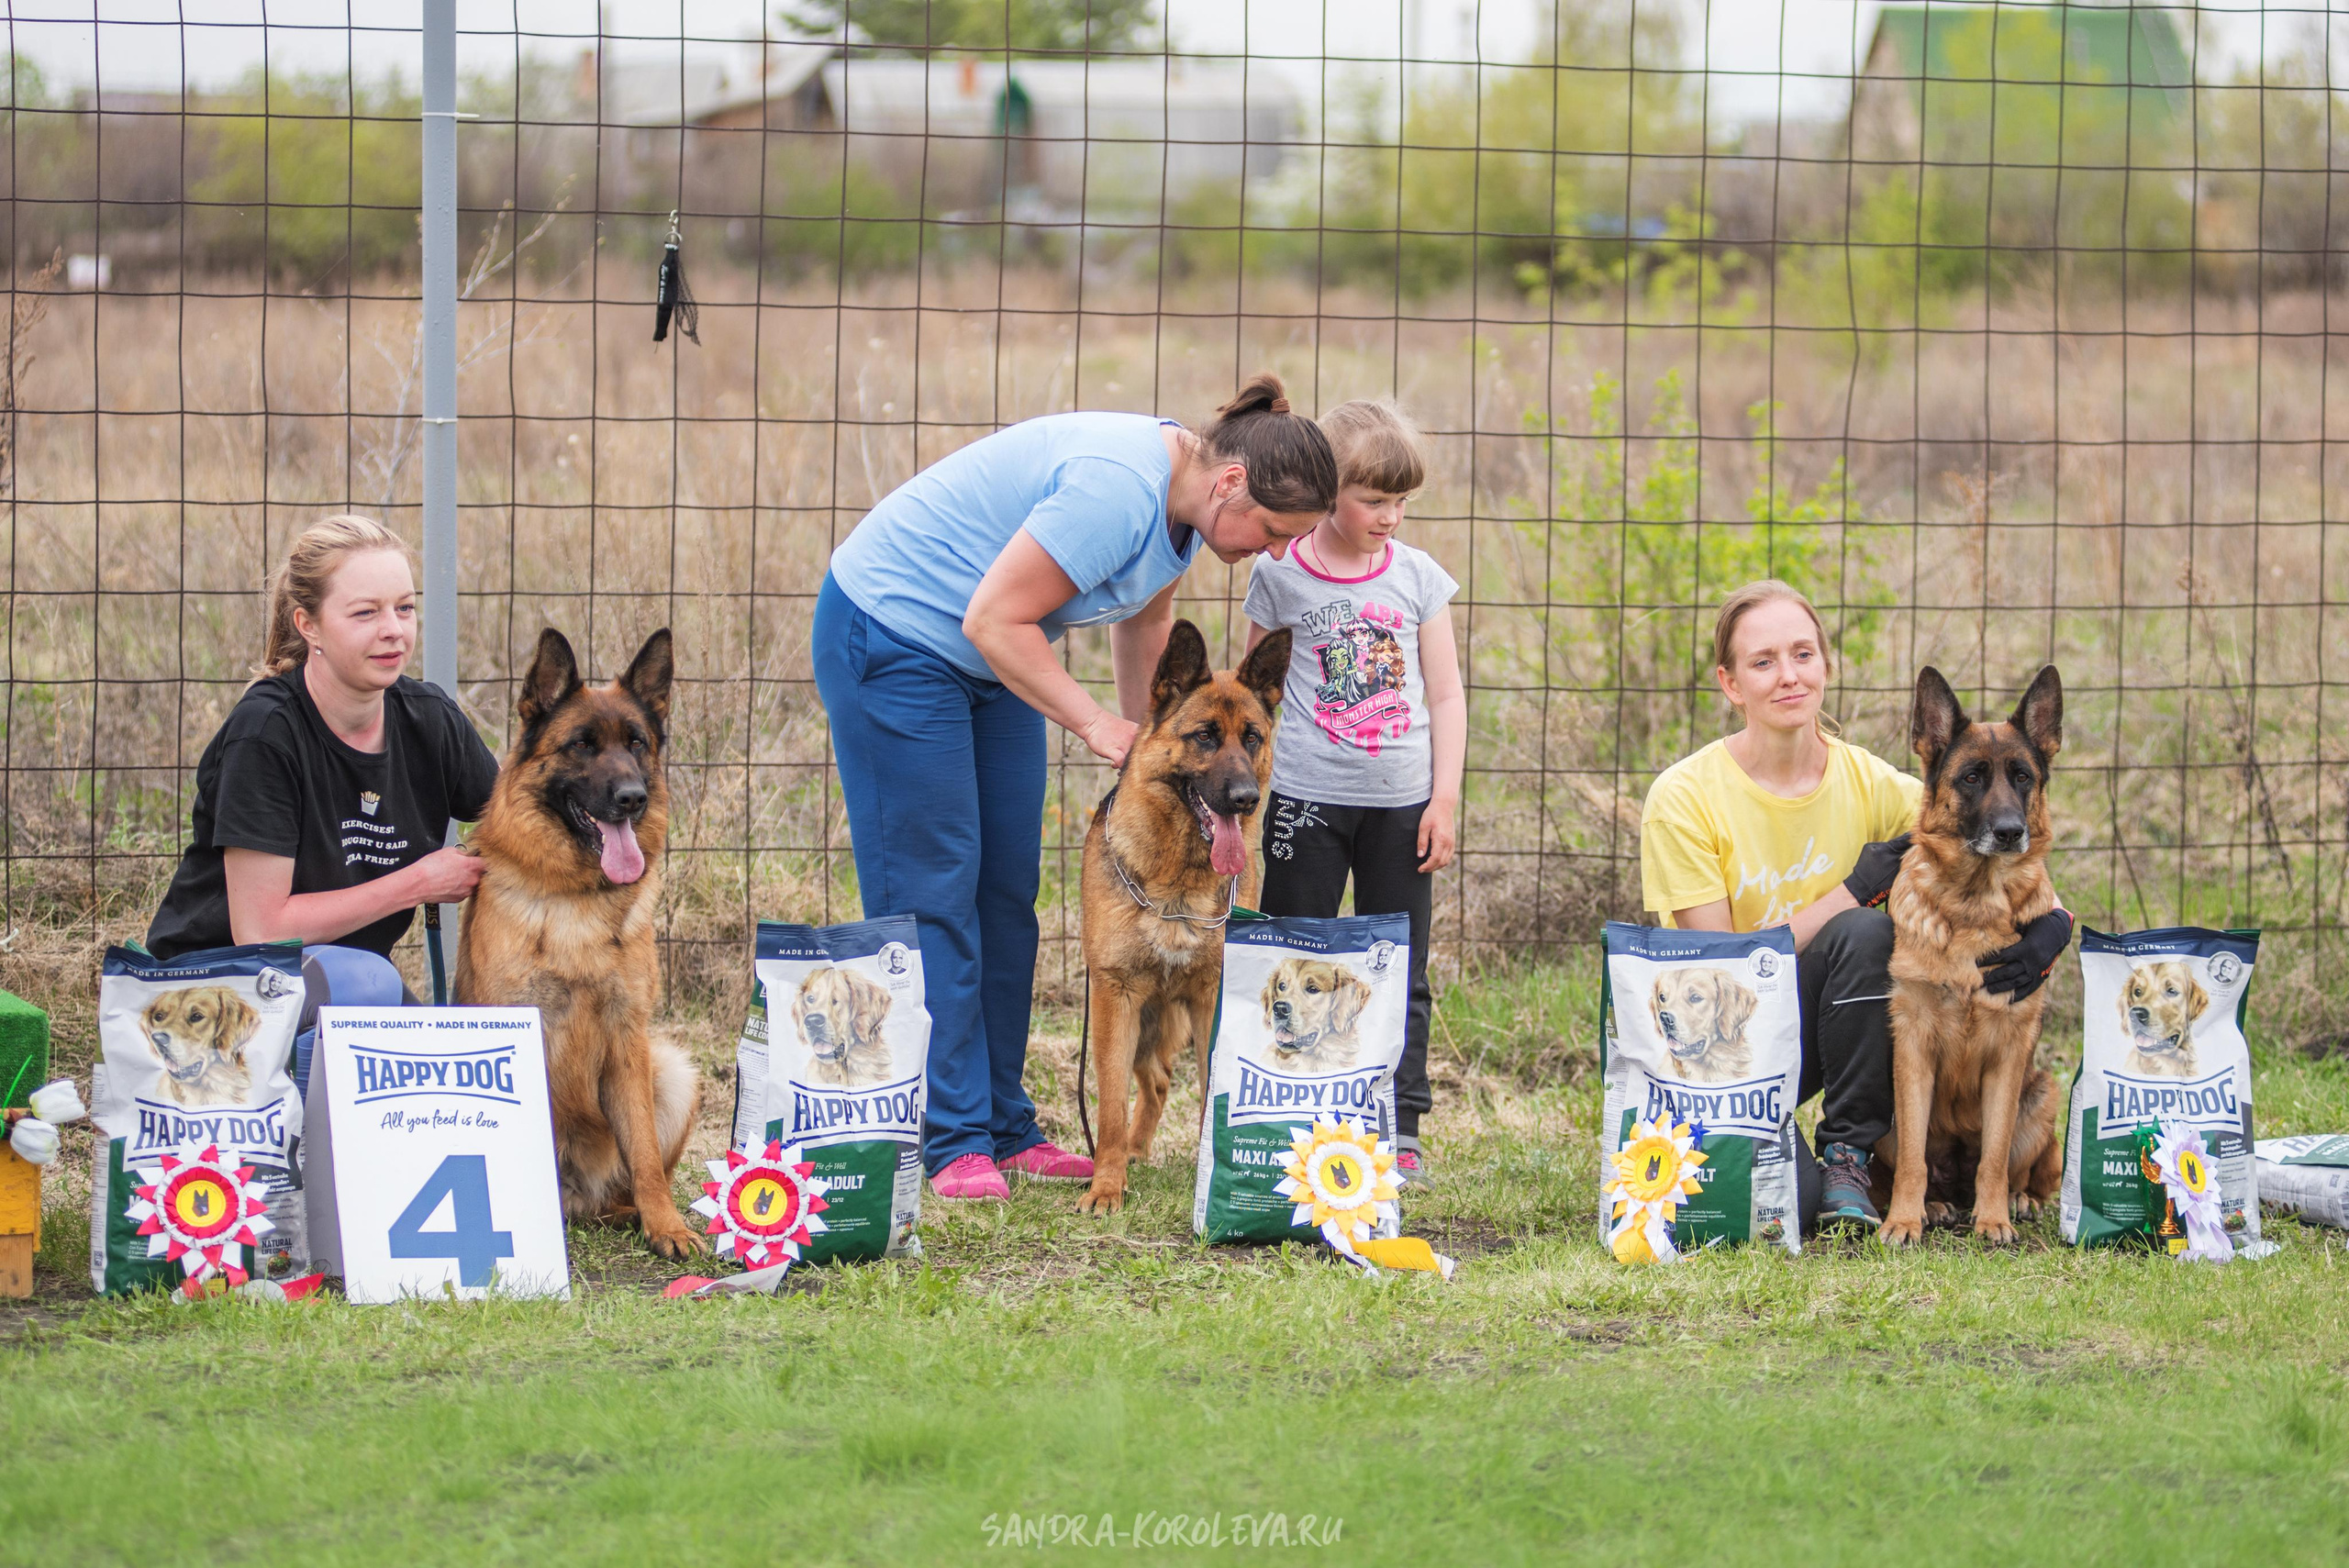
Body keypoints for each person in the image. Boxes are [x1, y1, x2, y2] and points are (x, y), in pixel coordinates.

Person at [816, 373, 1340, 1201]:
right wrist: (1096, 724)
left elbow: (1147, 627)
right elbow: (993, 617)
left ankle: (1003, 1124)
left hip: (990, 657)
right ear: (1233, 483)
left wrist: (1153, 753)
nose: (1275, 552)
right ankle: (950, 1136)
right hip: (897, 634)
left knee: (1005, 890)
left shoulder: (1187, 514)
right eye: (1275, 532)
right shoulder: (1118, 491)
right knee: (935, 890)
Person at [1638, 580, 2073, 1229]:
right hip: (1730, 1044)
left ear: (1826, 664)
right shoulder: (1683, 797)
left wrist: (2056, 924)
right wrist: (1848, 890)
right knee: (1864, 930)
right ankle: (1792, 1144)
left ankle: (1847, 1154)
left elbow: (1997, 839)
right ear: (1731, 684)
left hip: (1832, 1036)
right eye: (1763, 661)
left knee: (1866, 937)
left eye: (1802, 654)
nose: (1789, 675)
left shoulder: (1873, 783)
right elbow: (1719, 970)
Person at [147, 514, 499, 1087]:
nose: (394, 630)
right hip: (211, 988)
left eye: (404, 608)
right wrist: (417, 882)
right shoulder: (265, 734)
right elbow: (262, 930)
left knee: (451, 1067)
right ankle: (296, 1134)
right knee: (370, 984)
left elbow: (523, 821)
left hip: (337, 978)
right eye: (366, 613)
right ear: (307, 624)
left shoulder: (430, 719)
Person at [1241, 399, 1464, 1184]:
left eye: (1402, 501)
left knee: (1397, 964)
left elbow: (1446, 695)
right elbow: (1254, 695)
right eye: (1374, 499)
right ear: (1327, 490)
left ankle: (1399, 1122)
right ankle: (1286, 1106)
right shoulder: (1278, 574)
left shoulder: (1418, 577)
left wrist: (1443, 799)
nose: (1390, 516)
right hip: (1306, 803)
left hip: (1403, 807)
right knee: (1291, 951)